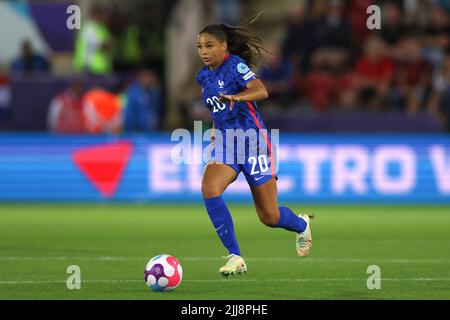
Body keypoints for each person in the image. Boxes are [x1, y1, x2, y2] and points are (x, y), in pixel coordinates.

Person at [195, 15, 313, 277]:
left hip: (254, 143)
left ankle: (301, 224)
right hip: (227, 144)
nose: (204, 51)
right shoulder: (203, 77)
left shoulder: (235, 66)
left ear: (224, 47)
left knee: (269, 217)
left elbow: (261, 90)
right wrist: (215, 133)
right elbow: (217, 109)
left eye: (210, 45)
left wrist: (237, 97)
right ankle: (235, 256)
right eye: (200, 46)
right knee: (209, 188)